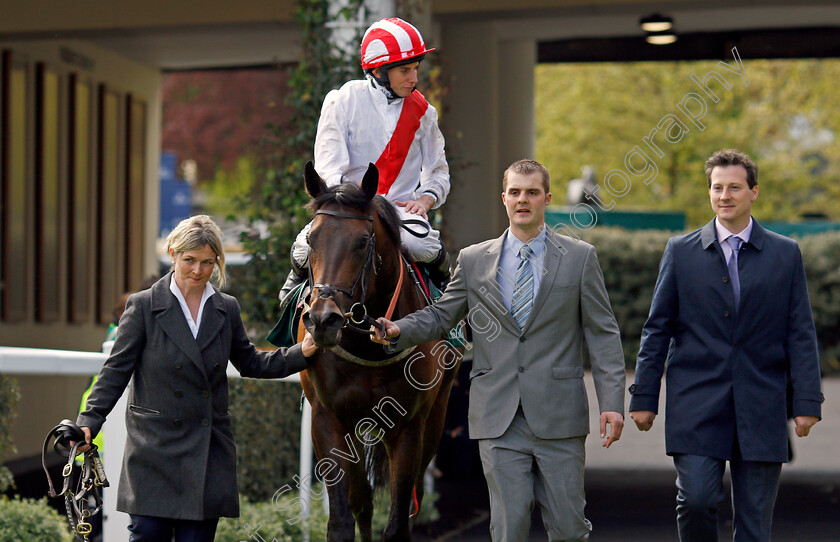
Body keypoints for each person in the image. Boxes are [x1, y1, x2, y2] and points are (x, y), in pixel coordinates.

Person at [372, 159, 626, 541]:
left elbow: (603, 334)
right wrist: (398, 329)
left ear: (547, 199)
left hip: (559, 413)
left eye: (532, 192)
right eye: (516, 192)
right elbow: (442, 316)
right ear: (503, 198)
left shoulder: (579, 257)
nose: (523, 200)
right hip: (498, 416)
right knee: (508, 529)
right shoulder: (474, 260)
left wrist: (611, 402)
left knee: (569, 528)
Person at [76, 215, 318, 542]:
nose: (197, 270)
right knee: (147, 534)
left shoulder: (226, 308)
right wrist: (89, 420)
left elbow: (251, 362)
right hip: (153, 451)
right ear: (173, 254)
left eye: (207, 262)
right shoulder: (144, 306)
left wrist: (301, 352)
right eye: (189, 260)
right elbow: (115, 371)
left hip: (207, 452)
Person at [628, 149, 824, 542]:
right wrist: (644, 396)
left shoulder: (785, 253)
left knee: (754, 523)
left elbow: (800, 331)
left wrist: (806, 403)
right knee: (697, 499)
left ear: (754, 192)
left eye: (734, 187)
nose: (724, 195)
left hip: (762, 403)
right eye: (717, 188)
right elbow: (657, 328)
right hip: (697, 402)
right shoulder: (680, 252)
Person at [280, 17, 451, 304]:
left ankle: (450, 303)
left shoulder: (424, 112)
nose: (414, 79)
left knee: (424, 245)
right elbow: (328, 166)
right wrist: (356, 201)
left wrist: (425, 201)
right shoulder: (342, 100)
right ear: (379, 70)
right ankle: (291, 300)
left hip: (399, 213)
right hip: (347, 209)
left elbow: (438, 172)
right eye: (405, 70)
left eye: (416, 69)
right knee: (301, 249)